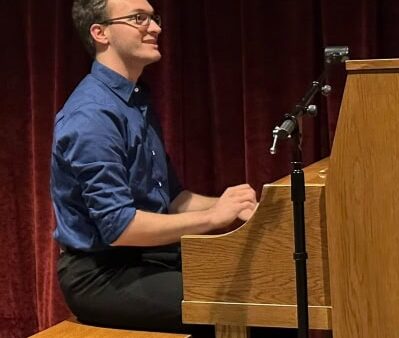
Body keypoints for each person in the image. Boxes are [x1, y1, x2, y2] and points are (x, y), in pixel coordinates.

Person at [51, 0, 257, 334]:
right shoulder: (92, 116)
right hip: (100, 275)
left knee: (274, 287)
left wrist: (234, 206)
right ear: (100, 33)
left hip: (147, 258)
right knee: (244, 303)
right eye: (139, 18)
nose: (156, 27)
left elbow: (172, 197)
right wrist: (211, 218)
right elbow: (118, 228)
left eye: (153, 17)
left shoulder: (135, 100)